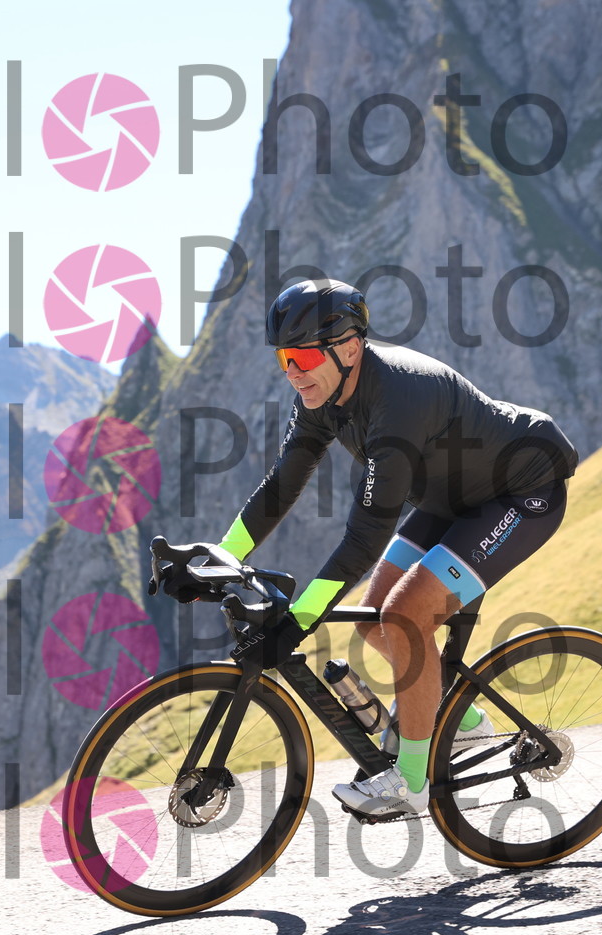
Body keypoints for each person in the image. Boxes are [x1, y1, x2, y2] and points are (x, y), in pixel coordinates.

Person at [217, 279, 578, 817]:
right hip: (450, 499)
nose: (292, 371)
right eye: (284, 358)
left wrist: (298, 622)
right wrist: (223, 557)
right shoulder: (321, 395)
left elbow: (365, 536)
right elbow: (282, 486)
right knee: (372, 618)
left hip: (522, 491)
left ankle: (411, 784)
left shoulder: (399, 398)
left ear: (349, 349)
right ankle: (465, 725)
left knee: (406, 615)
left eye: (304, 356)